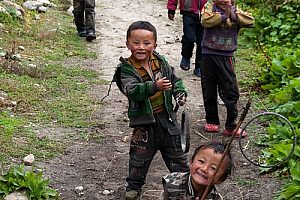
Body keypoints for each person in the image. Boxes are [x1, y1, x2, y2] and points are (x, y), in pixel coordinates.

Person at [114, 21, 190, 200]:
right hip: (144, 124)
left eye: (147, 43)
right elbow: (132, 91)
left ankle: (187, 187)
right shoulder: (126, 70)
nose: (141, 47)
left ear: (154, 45)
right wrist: (154, 86)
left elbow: (175, 79)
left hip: (167, 119)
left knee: (178, 156)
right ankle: (133, 189)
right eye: (136, 42)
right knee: (138, 159)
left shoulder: (161, 62)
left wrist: (180, 93)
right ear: (127, 44)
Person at [200, 0, 254, 136]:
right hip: (208, 54)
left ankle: (231, 125)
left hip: (226, 56)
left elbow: (250, 21)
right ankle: (211, 120)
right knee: (209, 88)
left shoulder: (236, 10)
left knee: (231, 90)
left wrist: (233, 15)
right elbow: (205, 20)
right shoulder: (209, 7)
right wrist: (224, 16)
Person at [162, 141, 233, 199]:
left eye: (213, 168)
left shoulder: (215, 198)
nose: (204, 169)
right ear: (191, 162)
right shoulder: (171, 183)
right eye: (201, 161)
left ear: (220, 179)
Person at [167, 0, 208, 77]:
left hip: (206, 13)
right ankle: (186, 56)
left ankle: (199, 66)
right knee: (189, 38)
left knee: (202, 41)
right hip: (188, 11)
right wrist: (171, 9)